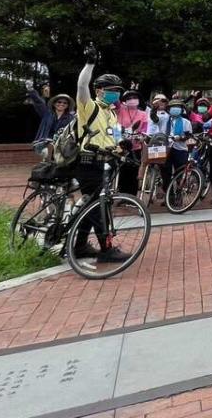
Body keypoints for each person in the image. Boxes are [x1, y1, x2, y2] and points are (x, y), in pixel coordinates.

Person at [72, 47, 130, 262]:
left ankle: (79, 246)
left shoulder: (112, 113)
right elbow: (80, 86)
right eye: (110, 89)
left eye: (117, 90)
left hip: (105, 164)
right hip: (87, 163)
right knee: (100, 208)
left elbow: (113, 139)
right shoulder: (89, 107)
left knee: (92, 205)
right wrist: (90, 64)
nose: (115, 93)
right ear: (99, 90)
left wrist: (122, 147)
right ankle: (106, 249)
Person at [148, 99, 194, 196]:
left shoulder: (186, 122)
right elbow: (154, 118)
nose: (175, 109)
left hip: (180, 149)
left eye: (178, 107)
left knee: (180, 173)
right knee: (165, 174)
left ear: (182, 110)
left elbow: (189, 136)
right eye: (173, 107)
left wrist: (180, 138)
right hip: (164, 148)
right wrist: (154, 109)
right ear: (168, 109)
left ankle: (179, 195)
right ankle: (169, 195)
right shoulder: (164, 118)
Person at [26, 80, 75, 157]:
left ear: (68, 105)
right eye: (59, 102)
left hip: (62, 145)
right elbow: (39, 102)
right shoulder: (47, 113)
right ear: (54, 103)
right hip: (44, 144)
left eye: (65, 103)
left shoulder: (71, 117)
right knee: (48, 152)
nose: (61, 104)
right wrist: (31, 90)